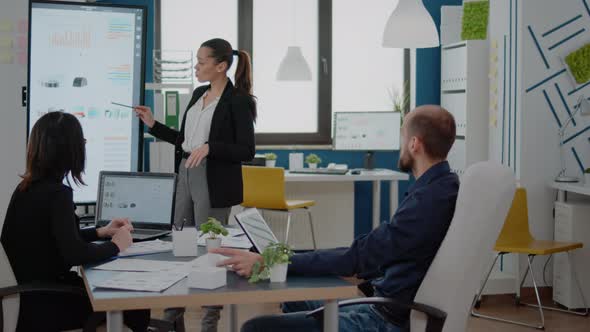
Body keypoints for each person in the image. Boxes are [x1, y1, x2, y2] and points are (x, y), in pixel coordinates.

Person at [212, 105, 460, 332]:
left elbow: (360, 256)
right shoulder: (440, 188)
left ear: (415, 144)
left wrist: (275, 262)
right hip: (385, 301)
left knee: (256, 328)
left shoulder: (427, 201)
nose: (400, 145)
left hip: (384, 319)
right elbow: (377, 253)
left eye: (402, 138)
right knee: (294, 296)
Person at [134, 38, 256, 331]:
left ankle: (209, 322)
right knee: (181, 245)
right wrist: (153, 125)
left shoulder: (237, 100)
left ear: (221, 66)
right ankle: (171, 318)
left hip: (213, 179)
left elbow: (246, 151)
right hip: (186, 172)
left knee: (210, 252)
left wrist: (211, 147)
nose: (196, 67)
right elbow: (185, 141)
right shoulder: (199, 93)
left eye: (202, 62)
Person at [0, 112, 150, 332]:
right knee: (136, 309)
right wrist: (117, 244)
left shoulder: (27, 187)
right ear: (70, 149)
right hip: (43, 302)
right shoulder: (58, 193)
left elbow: (56, 237)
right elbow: (75, 254)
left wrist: (101, 232)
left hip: (25, 296)